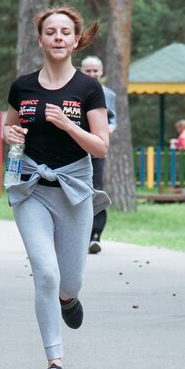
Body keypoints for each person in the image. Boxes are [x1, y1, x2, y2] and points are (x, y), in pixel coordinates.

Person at [3, 6, 110, 369]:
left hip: (74, 191)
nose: (59, 38)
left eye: (66, 32)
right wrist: (10, 137)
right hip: (31, 189)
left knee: (70, 280)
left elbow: (100, 146)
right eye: (51, 32)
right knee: (44, 274)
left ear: (76, 39)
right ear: (41, 39)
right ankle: (54, 362)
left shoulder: (88, 89)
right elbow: (11, 129)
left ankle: (69, 299)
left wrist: (67, 124)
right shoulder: (23, 86)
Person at [79, 56, 116, 254]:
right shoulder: (74, 91)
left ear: (102, 72)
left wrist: (109, 129)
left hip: (97, 151)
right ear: (81, 71)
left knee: (96, 191)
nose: (92, 74)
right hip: (76, 151)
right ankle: (78, 237)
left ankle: (95, 236)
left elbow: (112, 118)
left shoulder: (108, 94)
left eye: (96, 71)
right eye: (88, 71)